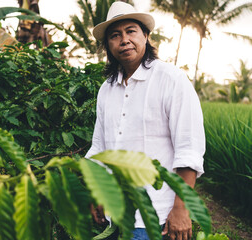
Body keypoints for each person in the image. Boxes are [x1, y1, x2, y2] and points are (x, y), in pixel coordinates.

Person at [85, 2, 205, 240]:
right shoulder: (106, 89)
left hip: (155, 218)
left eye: (131, 31)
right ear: (107, 45)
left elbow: (188, 149)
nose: (124, 40)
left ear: (146, 36)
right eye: (115, 35)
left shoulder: (172, 80)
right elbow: (99, 147)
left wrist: (181, 209)